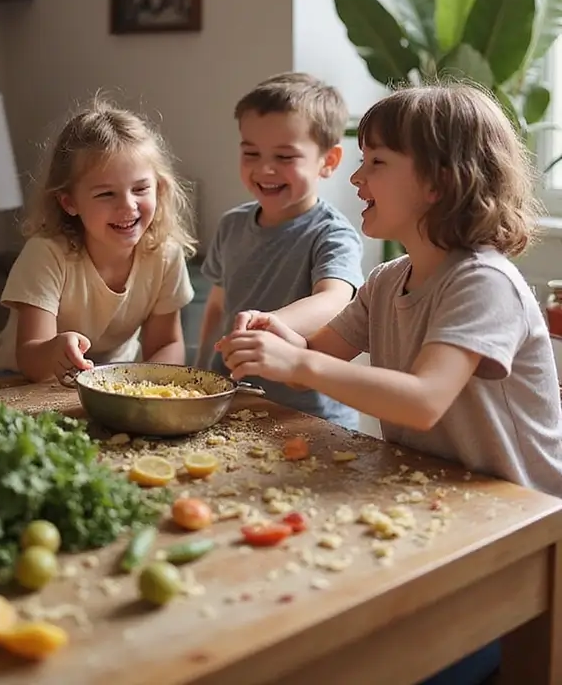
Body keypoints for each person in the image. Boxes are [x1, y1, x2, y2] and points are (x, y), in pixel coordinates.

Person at [219, 81, 562, 685]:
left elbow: (426, 400)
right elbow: (319, 349)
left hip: (519, 535)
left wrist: (295, 364)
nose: (357, 180)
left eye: (376, 163)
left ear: (439, 182)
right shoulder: (388, 279)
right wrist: (278, 332)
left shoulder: (483, 282)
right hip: (443, 507)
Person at [196, 72, 364, 429]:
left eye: (285, 157)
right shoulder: (231, 225)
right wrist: (199, 370)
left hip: (309, 418)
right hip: (233, 401)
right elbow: (216, 304)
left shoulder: (332, 234)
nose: (265, 169)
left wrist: (271, 322)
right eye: (251, 153)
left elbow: (334, 300)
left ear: (329, 161)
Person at [0, 98, 196, 383]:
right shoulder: (46, 254)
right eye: (106, 194)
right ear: (69, 202)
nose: (128, 206)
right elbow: (31, 359)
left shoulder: (165, 255)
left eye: (140, 189)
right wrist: (55, 352)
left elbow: (166, 345)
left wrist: (143, 385)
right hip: (14, 380)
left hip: (111, 384)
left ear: (159, 189)